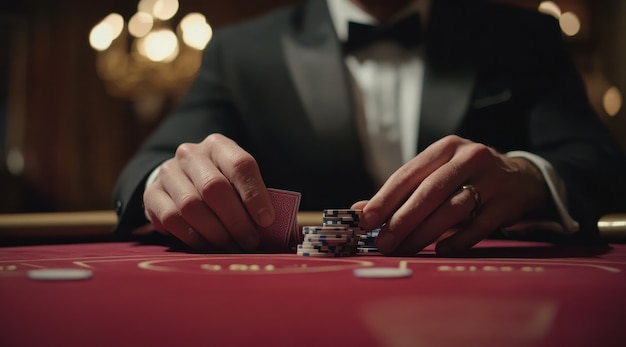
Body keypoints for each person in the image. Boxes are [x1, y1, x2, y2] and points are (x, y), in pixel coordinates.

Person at [112, 0, 626, 256]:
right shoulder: (240, 50)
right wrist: (171, 180)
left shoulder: (525, 34)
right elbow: (152, 165)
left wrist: (530, 177)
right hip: (295, 319)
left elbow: (598, 163)